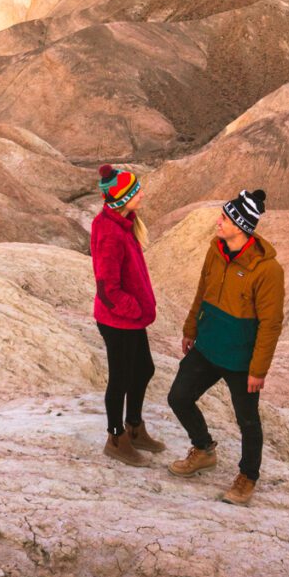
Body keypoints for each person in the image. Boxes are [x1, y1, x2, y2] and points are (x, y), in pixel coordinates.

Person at [167, 189, 284, 506]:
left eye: (225, 217)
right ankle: (204, 449)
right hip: (207, 346)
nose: (218, 221)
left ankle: (248, 477)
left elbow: (271, 324)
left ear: (241, 225)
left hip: (240, 359)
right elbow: (202, 291)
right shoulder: (215, 251)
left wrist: (258, 370)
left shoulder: (267, 270)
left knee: (248, 422)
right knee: (178, 397)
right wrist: (191, 328)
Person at [91, 163, 164, 467]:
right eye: (136, 191)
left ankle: (134, 427)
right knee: (120, 380)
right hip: (117, 320)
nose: (142, 194)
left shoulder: (124, 223)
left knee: (143, 369)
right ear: (121, 199)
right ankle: (116, 437)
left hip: (129, 319)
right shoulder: (110, 232)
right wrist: (134, 309)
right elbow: (108, 288)